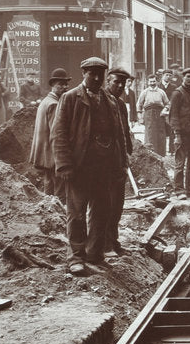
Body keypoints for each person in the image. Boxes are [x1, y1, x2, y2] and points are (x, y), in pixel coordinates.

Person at [51, 56, 127, 275]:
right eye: (91, 73)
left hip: (104, 168)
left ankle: (95, 255)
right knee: (76, 214)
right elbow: (60, 134)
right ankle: (76, 257)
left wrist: (121, 164)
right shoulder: (70, 98)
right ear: (83, 73)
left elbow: (119, 135)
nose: (96, 78)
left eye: (100, 74)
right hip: (79, 167)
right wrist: (64, 165)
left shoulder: (110, 100)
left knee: (102, 212)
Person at [105, 67, 134, 257]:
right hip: (105, 162)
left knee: (117, 205)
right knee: (105, 205)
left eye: (123, 83)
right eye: (116, 82)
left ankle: (113, 241)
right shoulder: (102, 102)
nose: (120, 86)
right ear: (108, 81)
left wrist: (127, 154)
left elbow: (125, 131)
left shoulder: (121, 104)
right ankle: (105, 245)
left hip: (120, 162)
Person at [28, 68, 71, 198]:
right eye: (60, 85)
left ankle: (49, 212)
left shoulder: (45, 101)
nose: (64, 87)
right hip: (52, 154)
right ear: (53, 86)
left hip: (44, 154)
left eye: (66, 84)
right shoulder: (54, 104)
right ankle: (58, 214)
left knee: (49, 185)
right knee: (59, 189)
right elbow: (57, 133)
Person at [169, 67, 190, 196]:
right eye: (188, 76)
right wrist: (177, 134)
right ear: (183, 77)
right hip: (182, 134)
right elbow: (173, 115)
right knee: (180, 162)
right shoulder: (177, 93)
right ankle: (179, 190)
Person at [137, 75, 169, 154]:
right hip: (148, 115)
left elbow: (168, 103)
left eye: (154, 81)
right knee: (150, 135)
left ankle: (161, 154)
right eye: (150, 81)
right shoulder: (144, 92)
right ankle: (150, 154)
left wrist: (165, 109)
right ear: (148, 82)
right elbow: (139, 105)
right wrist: (140, 117)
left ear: (157, 82)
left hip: (160, 115)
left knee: (160, 135)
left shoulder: (161, 92)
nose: (152, 83)